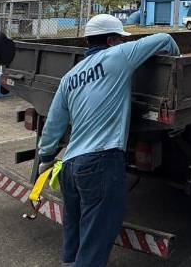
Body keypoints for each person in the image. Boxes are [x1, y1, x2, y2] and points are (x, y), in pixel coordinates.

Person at [38, 15, 180, 266]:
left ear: (87, 40)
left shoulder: (69, 78)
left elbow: (54, 125)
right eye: (118, 39)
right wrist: (175, 61)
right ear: (112, 39)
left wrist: (46, 158)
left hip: (69, 166)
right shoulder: (119, 56)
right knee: (95, 243)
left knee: (74, 236)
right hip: (101, 162)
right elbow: (165, 39)